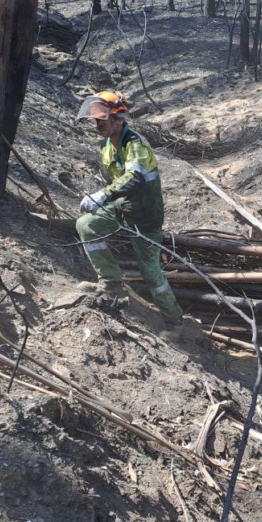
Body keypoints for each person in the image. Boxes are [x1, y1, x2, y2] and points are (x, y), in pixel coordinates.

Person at [74, 90, 185, 341]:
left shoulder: (135, 144)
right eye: (96, 119)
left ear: (119, 118)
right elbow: (115, 181)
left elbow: (135, 177)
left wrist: (103, 194)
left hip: (145, 215)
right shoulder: (105, 146)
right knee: (87, 225)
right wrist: (106, 197)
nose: (98, 124)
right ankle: (111, 284)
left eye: (103, 119)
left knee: (150, 272)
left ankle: (175, 321)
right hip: (121, 207)